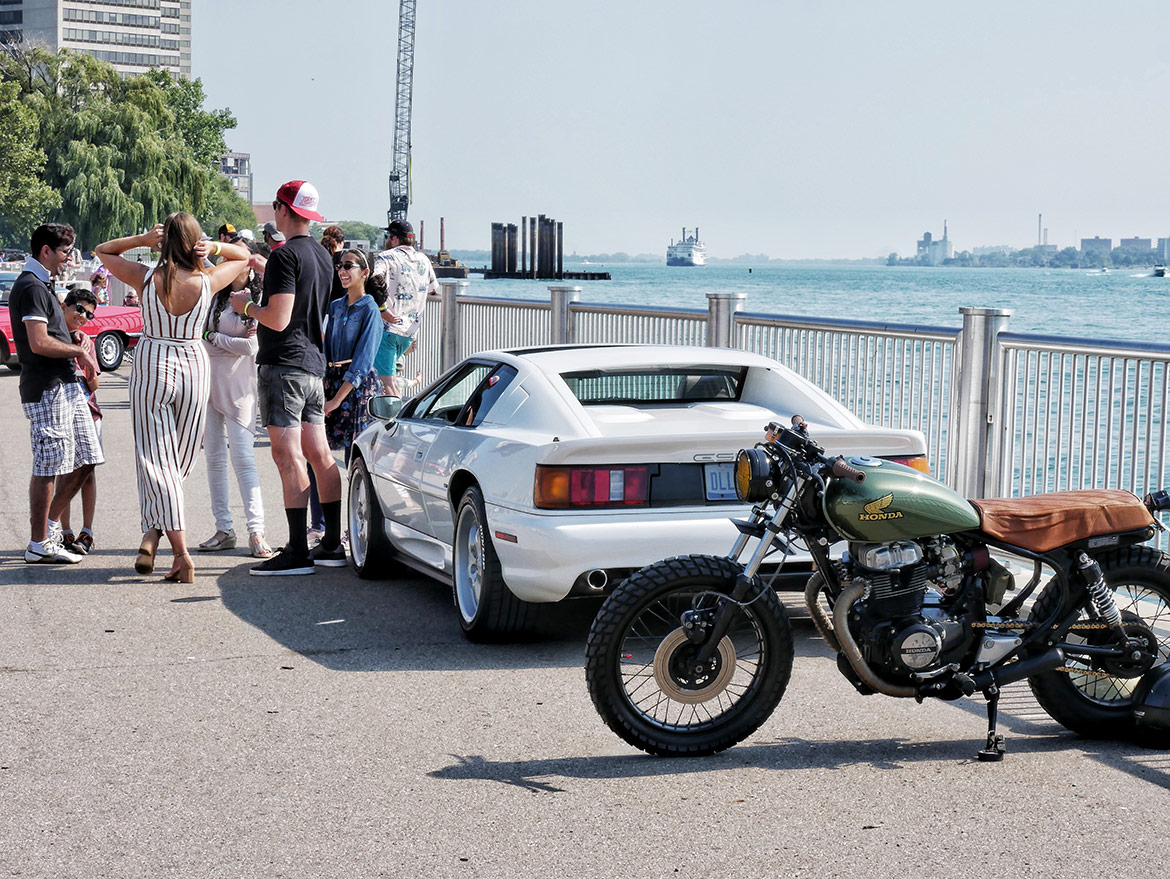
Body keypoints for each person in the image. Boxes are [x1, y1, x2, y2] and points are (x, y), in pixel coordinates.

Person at [96, 214, 250, 583]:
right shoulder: (209, 279)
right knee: (176, 460)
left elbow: (102, 251)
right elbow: (243, 257)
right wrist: (213, 247)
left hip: (153, 360)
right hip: (194, 363)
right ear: (195, 242)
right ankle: (152, 535)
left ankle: (177, 551)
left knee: (156, 459)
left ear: (164, 241)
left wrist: (142, 239)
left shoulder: (146, 276)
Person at [230, 180, 345, 576]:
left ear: (282, 209)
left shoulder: (283, 256)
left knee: (287, 454)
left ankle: (297, 551)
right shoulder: (323, 256)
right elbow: (310, 305)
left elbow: (278, 318)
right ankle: (332, 542)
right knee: (320, 454)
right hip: (314, 364)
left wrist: (246, 306)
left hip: (284, 365)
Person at [10, 223, 104, 564]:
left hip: (65, 386)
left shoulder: (43, 286)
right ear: (46, 251)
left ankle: (49, 529)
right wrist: (77, 352)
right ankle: (38, 544)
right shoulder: (31, 286)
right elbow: (37, 343)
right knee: (48, 465)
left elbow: (52, 335)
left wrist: (73, 339)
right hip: (46, 388)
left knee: (86, 459)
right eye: (65, 251)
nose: (69, 258)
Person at [198, 238, 274, 560]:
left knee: (243, 458)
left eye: (235, 255)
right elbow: (199, 333)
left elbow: (252, 348)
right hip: (210, 383)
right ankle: (223, 528)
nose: (229, 261)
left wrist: (216, 338)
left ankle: (256, 531)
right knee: (214, 458)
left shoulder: (257, 299)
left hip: (241, 387)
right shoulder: (217, 294)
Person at [323, 249, 386, 458]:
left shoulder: (370, 310)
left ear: (365, 272)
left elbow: (363, 362)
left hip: (358, 389)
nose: (342, 271)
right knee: (317, 451)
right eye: (340, 266)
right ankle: (317, 493)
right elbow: (326, 352)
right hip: (332, 382)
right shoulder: (335, 307)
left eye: (348, 266)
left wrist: (336, 400)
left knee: (355, 457)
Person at [57, 287, 102, 555]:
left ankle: (87, 532)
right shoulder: (54, 336)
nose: (83, 317)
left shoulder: (88, 342)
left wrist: (86, 367)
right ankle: (64, 531)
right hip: (61, 409)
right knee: (64, 470)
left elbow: (94, 384)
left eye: (90, 315)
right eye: (80, 309)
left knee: (87, 473)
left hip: (89, 410)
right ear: (65, 306)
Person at [373, 219, 438, 395]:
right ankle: (393, 415)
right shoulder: (423, 259)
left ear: (394, 238)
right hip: (410, 332)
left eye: (387, 236)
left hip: (388, 328)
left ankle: (391, 420)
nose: (385, 240)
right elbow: (434, 289)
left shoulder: (386, 257)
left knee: (386, 383)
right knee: (392, 380)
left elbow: (373, 281)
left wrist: (383, 310)